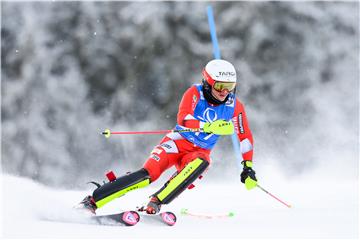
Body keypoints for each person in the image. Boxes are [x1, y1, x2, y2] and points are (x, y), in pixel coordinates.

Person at [80, 59, 257, 215]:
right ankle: (92, 201)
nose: (224, 91)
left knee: (203, 162)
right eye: (219, 86)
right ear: (208, 83)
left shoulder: (235, 106)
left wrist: (247, 167)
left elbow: (245, 137)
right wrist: (208, 126)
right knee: (148, 176)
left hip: (197, 153)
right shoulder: (195, 93)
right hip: (177, 143)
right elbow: (184, 119)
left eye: (230, 86)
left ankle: (155, 202)